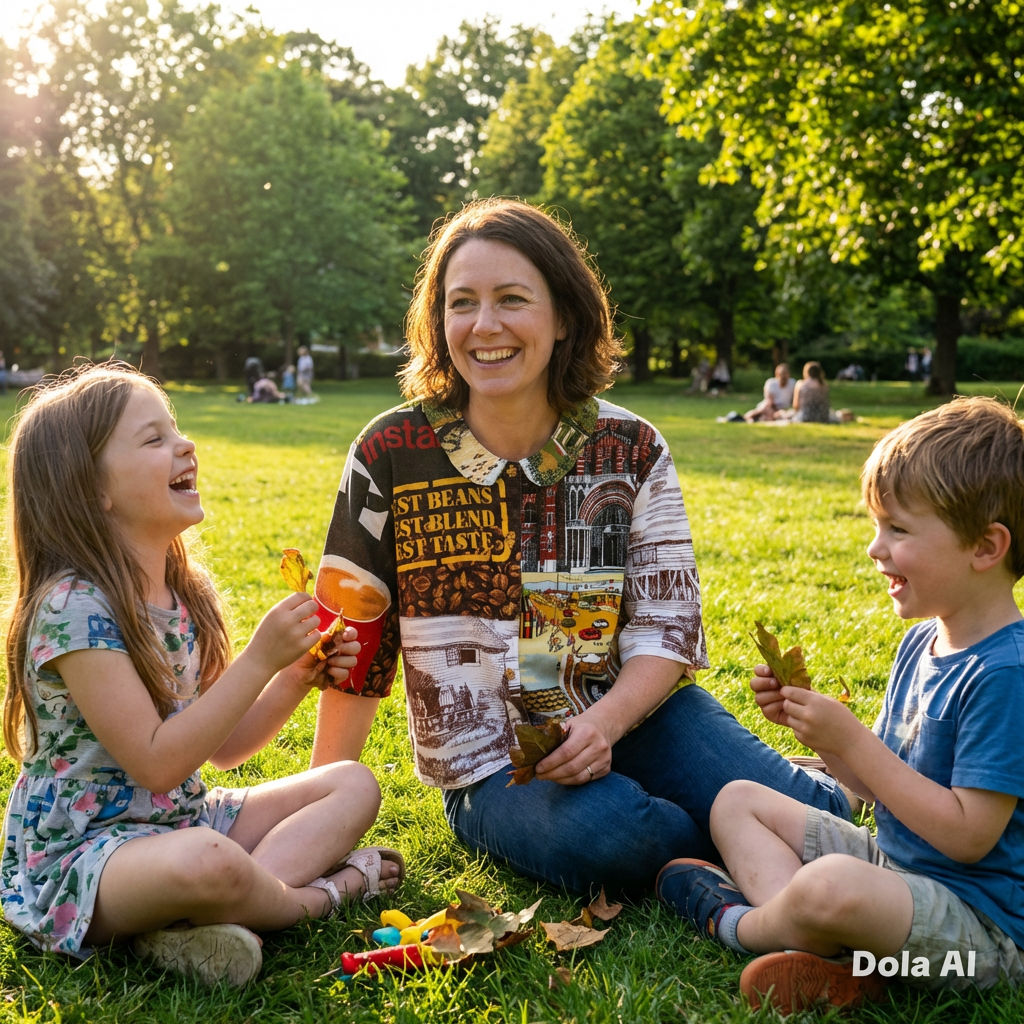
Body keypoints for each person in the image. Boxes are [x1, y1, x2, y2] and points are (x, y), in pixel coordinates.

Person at [307, 198, 851, 899]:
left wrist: (601, 724)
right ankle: (738, 833)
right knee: (620, 839)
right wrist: (325, 823)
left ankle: (813, 794)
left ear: (563, 317)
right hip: (492, 766)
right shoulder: (389, 452)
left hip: (640, 715)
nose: (485, 325)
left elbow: (667, 628)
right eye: (462, 302)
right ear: (439, 321)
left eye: (512, 300)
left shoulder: (632, 447)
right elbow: (356, 647)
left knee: (819, 818)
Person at [1, 364, 403, 986]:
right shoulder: (71, 608)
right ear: (93, 491)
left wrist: (295, 676)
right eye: (153, 439)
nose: (184, 445)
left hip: (181, 819)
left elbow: (225, 749)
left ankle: (203, 920)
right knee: (207, 861)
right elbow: (158, 764)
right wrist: (259, 660)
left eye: (177, 430)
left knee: (352, 783)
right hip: (87, 857)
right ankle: (317, 897)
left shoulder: (185, 592)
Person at [657, 398, 1024, 1013]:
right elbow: (872, 786)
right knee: (738, 799)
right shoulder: (923, 641)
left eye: (899, 530)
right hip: (900, 875)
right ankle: (830, 951)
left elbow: (967, 838)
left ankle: (739, 923)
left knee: (831, 887)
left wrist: (853, 740)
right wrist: (821, 735)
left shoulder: (1006, 674)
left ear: (985, 547)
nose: (876, 549)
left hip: (983, 936)